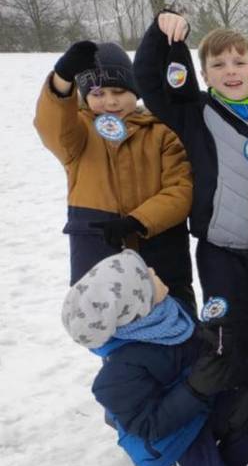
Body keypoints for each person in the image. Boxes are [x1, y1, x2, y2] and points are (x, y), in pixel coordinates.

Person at [134, 10, 248, 439]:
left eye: (239, 62)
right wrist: (160, 30)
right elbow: (149, 80)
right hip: (219, 249)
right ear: (204, 74)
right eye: (218, 65)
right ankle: (244, 401)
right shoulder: (196, 112)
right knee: (226, 330)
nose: (230, 72)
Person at [63, 250, 248, 466]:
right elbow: (149, 427)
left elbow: (193, 354)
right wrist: (195, 388)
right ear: (134, 304)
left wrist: (216, 343)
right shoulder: (118, 372)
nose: (153, 270)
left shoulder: (169, 314)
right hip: (166, 441)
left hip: (198, 410)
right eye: (147, 276)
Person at [36, 40, 194, 307]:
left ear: (135, 91)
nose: (110, 101)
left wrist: (138, 220)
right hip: (99, 252)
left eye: (119, 91)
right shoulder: (78, 133)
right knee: (114, 333)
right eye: (98, 94)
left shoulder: (161, 132)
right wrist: (61, 81)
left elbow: (180, 189)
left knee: (174, 327)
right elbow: (53, 128)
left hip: (160, 250)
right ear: (85, 97)